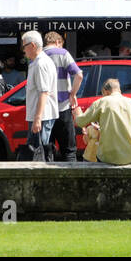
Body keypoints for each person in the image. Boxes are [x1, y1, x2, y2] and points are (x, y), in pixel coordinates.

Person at [71, 78, 131, 165]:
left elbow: (80, 122)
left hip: (107, 158)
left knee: (99, 155)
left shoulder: (100, 102)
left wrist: (77, 113)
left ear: (105, 91)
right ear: (119, 90)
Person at [43, 31, 84, 162]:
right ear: (58, 42)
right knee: (69, 150)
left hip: (45, 110)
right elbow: (79, 75)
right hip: (63, 107)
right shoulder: (63, 53)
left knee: (46, 151)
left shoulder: (39, 55)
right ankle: (72, 181)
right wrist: (72, 94)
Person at [21, 31, 59, 162]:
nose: (23, 50)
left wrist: (37, 118)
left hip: (42, 116)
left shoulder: (41, 63)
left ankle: (42, 180)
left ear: (32, 45)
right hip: (40, 115)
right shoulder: (38, 62)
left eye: (24, 46)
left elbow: (44, 92)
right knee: (37, 151)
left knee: (39, 152)